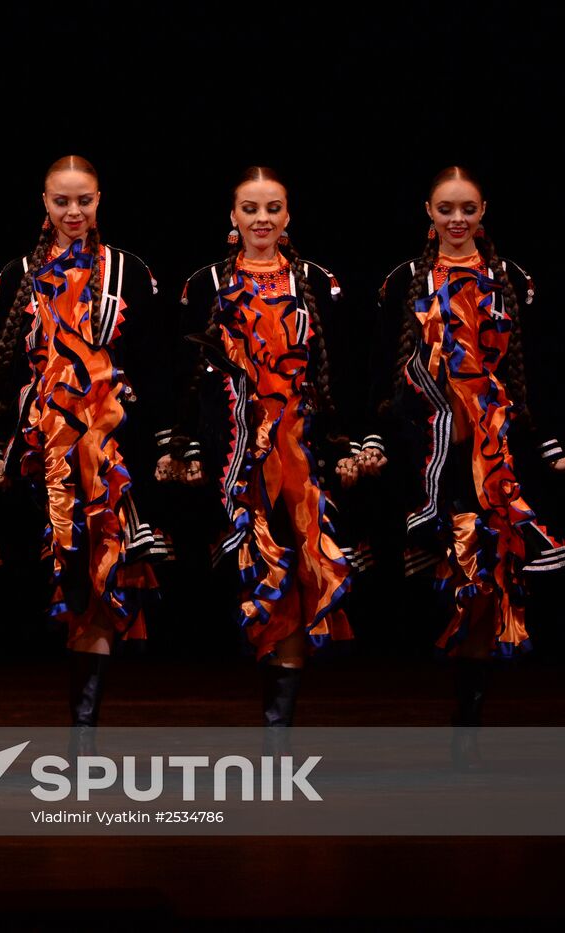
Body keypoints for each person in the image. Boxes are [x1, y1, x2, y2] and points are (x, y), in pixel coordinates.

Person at [374, 166, 563, 764]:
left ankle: (471, 716)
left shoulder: (511, 279)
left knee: (489, 568)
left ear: (484, 213)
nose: (457, 220)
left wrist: (548, 439)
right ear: (427, 213)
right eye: (446, 209)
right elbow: (384, 368)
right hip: (429, 449)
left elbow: (537, 363)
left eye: (468, 209)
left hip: (496, 447)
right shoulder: (403, 280)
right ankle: (441, 706)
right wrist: (382, 439)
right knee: (443, 571)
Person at [158, 166, 358, 731]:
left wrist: (347, 444)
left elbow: (335, 369)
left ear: (288, 216)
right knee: (258, 575)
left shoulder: (316, 280)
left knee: (298, 570)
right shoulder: (204, 284)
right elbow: (187, 375)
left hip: (301, 451)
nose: (262, 219)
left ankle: (279, 731)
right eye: (250, 209)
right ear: (233, 218)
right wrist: (184, 447)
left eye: (272, 209)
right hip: (235, 455)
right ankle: (271, 719)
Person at [0, 155, 166, 729]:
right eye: (62, 201)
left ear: (99, 200)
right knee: (52, 580)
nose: (73, 211)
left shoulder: (128, 271)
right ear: (44, 203)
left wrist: (157, 441)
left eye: (83, 200)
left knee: (100, 571)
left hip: (108, 450)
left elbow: (152, 365)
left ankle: (84, 733)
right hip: (41, 455)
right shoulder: (18, 275)